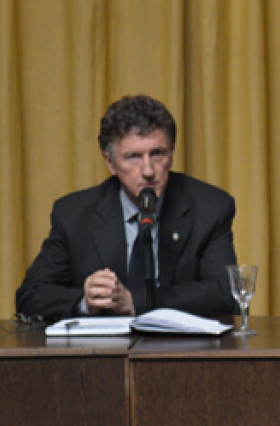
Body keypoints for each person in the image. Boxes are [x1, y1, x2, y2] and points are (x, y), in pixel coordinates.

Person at [16, 95, 238, 321]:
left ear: (171, 153)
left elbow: (226, 293)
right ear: (110, 162)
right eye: (133, 157)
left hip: (180, 349)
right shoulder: (74, 214)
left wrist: (135, 302)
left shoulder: (210, 207)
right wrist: (85, 302)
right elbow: (30, 296)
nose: (148, 170)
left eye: (157, 154)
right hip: (103, 352)